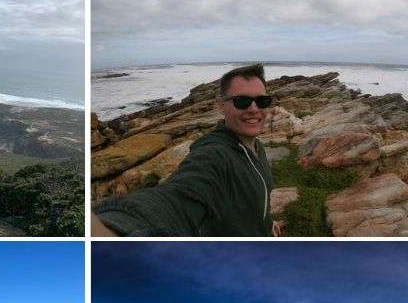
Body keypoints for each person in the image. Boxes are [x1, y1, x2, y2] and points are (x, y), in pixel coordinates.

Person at [93, 63, 281, 237]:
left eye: (262, 101)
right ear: (220, 104)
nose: (254, 109)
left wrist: (266, 223)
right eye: (242, 101)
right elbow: (179, 198)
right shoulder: (214, 155)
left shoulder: (257, 146)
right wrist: (114, 229)